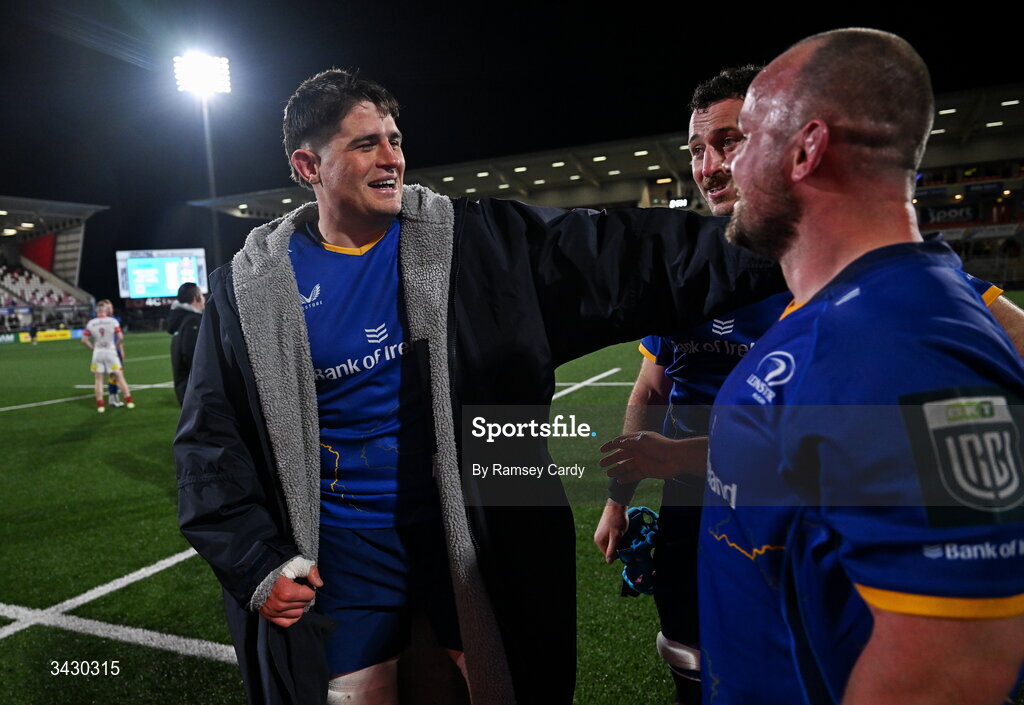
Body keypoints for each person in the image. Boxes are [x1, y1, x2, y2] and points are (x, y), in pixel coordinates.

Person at [173, 69, 787, 705]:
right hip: (342, 553)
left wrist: (794, 237)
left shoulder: (477, 246)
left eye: (394, 138)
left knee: (486, 684)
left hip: (467, 534)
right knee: (355, 694)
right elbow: (209, 443)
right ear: (308, 165)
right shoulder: (250, 291)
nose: (392, 158)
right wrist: (252, 561)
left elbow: (632, 255)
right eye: (365, 144)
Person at [593, 65, 1016, 705]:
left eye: (730, 142)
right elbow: (657, 393)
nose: (707, 168)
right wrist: (625, 494)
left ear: (799, 146)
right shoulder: (737, 285)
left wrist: (683, 458)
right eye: (697, 152)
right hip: (722, 530)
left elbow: (956, 656)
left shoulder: (896, 302)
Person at [82, 300, 134, 412]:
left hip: (98, 352)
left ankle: (100, 405)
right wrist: (116, 346)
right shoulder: (112, 321)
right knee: (119, 376)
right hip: (110, 351)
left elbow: (84, 340)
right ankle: (128, 400)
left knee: (98, 379)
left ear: (96, 310)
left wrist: (92, 348)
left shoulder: (91, 323)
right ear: (105, 310)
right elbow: (120, 337)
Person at [167, 282, 205, 405]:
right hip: (195, 391)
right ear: (196, 298)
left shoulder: (180, 319)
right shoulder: (192, 321)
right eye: (202, 295)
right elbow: (194, 358)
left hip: (186, 389)